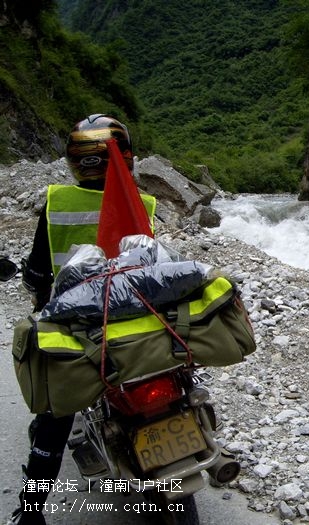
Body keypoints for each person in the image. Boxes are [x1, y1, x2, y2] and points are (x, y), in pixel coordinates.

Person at [11, 114, 156, 525]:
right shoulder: (142, 203)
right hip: (136, 318)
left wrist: (40, 291)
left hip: (75, 323)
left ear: (75, 161)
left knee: (55, 417)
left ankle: (32, 511)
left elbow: (38, 271)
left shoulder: (57, 201)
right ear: (125, 157)